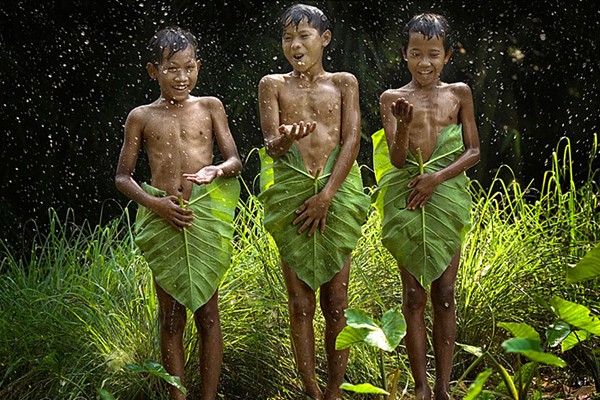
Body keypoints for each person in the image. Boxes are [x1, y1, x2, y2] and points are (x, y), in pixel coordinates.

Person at [115, 26, 242, 400]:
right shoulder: (141, 116)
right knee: (170, 316)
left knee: (208, 312)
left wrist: (216, 170)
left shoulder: (209, 107)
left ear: (199, 67)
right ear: (154, 71)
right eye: (172, 69)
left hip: (202, 219)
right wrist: (155, 204)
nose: (182, 77)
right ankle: (177, 396)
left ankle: (208, 396)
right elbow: (123, 177)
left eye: (189, 67)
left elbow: (234, 159)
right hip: (163, 219)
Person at [257, 4, 370, 400]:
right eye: (288, 37)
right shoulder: (272, 84)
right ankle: (311, 390)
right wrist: (286, 137)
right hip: (292, 194)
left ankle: (335, 390)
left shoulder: (344, 83)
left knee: (336, 301)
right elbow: (271, 146)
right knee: (299, 301)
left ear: (324, 38)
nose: (295, 45)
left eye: (304, 36)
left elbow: (352, 139)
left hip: (334, 195)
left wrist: (326, 195)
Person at [376, 13, 480, 400]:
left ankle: (443, 388)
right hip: (406, 195)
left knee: (446, 292)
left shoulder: (459, 93)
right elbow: (398, 160)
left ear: (447, 56)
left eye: (433, 54)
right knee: (414, 295)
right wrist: (403, 125)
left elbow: (473, 151)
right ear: (404, 54)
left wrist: (437, 178)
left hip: (445, 195)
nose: (424, 63)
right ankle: (420, 388)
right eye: (416, 54)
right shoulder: (392, 98)